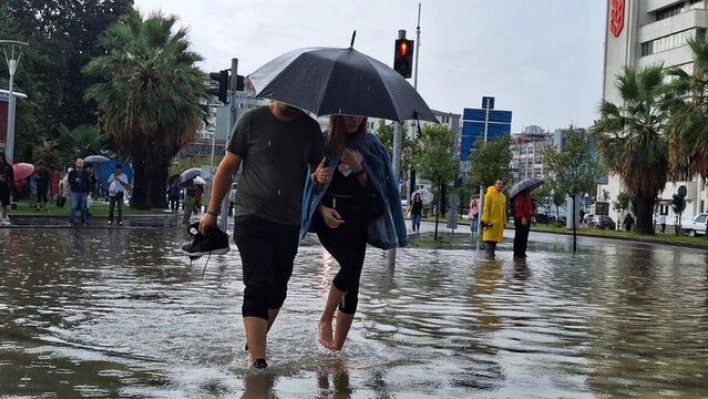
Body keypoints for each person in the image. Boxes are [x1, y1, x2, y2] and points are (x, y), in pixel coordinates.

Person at [198, 101, 329, 369]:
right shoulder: (251, 121)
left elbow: (316, 173)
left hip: (289, 221)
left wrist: (320, 176)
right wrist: (211, 212)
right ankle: (258, 362)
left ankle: (253, 343)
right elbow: (227, 168)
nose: (293, 105)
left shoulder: (310, 129)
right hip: (252, 216)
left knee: (278, 289)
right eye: (287, 99)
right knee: (258, 284)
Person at [301, 115, 408, 351]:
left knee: (353, 283)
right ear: (337, 115)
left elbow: (376, 192)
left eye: (359, 116)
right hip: (329, 220)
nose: (354, 120)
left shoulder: (372, 145)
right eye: (349, 114)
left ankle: (336, 351)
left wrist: (357, 166)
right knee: (349, 268)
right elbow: (307, 184)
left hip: (359, 221)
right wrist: (320, 201)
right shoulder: (323, 143)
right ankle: (325, 318)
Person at [481, 180, 507, 258]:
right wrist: (485, 221)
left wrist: (504, 222)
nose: (500, 185)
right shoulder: (489, 195)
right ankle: (488, 264)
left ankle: (491, 262)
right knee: (488, 243)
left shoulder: (503, 197)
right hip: (489, 223)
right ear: (494, 184)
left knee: (494, 244)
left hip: (498, 225)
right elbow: (486, 208)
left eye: (502, 184)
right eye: (499, 184)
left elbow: (503, 211)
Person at [68, 158, 91, 226]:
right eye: (79, 163)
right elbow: (70, 181)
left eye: (82, 163)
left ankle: (83, 221)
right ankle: (71, 221)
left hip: (83, 192)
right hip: (75, 192)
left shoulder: (85, 173)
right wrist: (75, 180)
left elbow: (88, 182)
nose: (80, 164)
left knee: (83, 207)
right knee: (74, 206)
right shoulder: (72, 172)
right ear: (76, 163)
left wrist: (88, 191)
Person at [512, 188, 534, 258]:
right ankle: (517, 253)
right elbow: (518, 206)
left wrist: (531, 214)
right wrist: (522, 217)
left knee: (525, 236)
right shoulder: (520, 195)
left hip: (527, 218)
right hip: (520, 219)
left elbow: (529, 207)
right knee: (519, 235)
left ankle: (522, 252)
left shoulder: (528, 195)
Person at [0, 153, 14, 226]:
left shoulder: (8, 166)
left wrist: (11, 187)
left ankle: (4, 219)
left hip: (5, 187)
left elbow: (12, 178)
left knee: (4, 203)